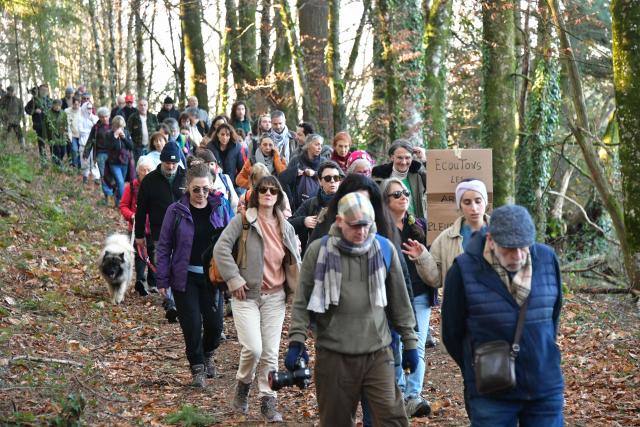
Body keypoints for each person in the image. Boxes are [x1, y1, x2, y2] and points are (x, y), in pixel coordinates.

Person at [287, 192, 418, 426]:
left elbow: (400, 301)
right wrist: (296, 342)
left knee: (392, 419)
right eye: (354, 226)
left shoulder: (384, 249)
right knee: (335, 421)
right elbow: (302, 301)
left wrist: (409, 342)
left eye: (366, 225)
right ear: (339, 222)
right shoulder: (319, 251)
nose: (361, 231)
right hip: (334, 355)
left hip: (377, 352)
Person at [442, 205, 564, 426]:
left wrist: (538, 350)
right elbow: (452, 333)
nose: (517, 255)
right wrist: (474, 366)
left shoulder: (547, 260)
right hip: (491, 391)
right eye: (508, 248)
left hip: (544, 384)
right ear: (490, 239)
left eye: (522, 247)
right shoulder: (463, 270)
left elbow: (552, 318)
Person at [214, 175, 300, 422]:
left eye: (273, 190)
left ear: (279, 195)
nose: (268, 193)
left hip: (276, 296)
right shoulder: (242, 221)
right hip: (246, 295)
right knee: (253, 348)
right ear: (256, 193)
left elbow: (294, 259)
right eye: (263, 189)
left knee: (270, 352)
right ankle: (243, 385)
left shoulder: (286, 225)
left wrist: (296, 290)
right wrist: (234, 278)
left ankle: (267, 399)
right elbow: (221, 249)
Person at [156, 161, 233, 387]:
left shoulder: (220, 207)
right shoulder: (176, 211)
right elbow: (164, 245)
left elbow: (230, 240)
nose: (201, 194)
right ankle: (197, 367)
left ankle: (208, 353)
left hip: (212, 277)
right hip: (184, 276)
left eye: (205, 189)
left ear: (211, 188)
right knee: (191, 325)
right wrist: (162, 279)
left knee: (215, 326)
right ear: (188, 187)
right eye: (196, 189)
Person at [381, 177, 438, 418]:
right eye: (396, 194)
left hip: (420, 294)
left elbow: (436, 261)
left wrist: (423, 255)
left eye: (405, 192)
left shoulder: (421, 225)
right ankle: (399, 393)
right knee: (395, 345)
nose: (403, 196)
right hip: (391, 297)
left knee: (417, 345)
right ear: (385, 200)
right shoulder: (378, 229)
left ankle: (413, 395)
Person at [135, 143, 186, 322]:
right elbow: (141, 210)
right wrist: (139, 235)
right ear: (161, 162)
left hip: (184, 231)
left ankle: (178, 300)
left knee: (179, 266)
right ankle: (171, 302)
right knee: (164, 265)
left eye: (174, 164)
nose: (171, 167)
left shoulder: (186, 178)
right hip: (159, 232)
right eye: (167, 163)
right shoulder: (149, 181)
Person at [420, 179, 491, 289]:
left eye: (478, 201)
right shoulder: (445, 238)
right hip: (458, 302)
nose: (474, 208)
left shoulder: (500, 233)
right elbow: (436, 280)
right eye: (467, 202)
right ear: (460, 206)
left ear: (485, 202)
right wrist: (422, 257)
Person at [288, 160, 343, 255]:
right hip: (315, 257)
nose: (333, 181)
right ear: (320, 181)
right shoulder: (310, 203)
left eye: (336, 178)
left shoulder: (348, 203)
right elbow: (288, 225)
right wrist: (303, 221)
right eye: (328, 178)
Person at [120, 156, 155, 296]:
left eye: (148, 170)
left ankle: (153, 282)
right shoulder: (132, 187)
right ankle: (140, 281)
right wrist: (131, 216)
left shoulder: (156, 186)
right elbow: (123, 206)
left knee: (154, 254)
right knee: (139, 255)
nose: (146, 173)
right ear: (138, 172)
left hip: (154, 227)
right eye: (142, 170)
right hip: (136, 227)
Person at [372, 139, 426, 218]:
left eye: (407, 158)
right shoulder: (380, 176)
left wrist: (424, 159)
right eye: (400, 158)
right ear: (392, 157)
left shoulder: (418, 175)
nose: (404, 162)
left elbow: (437, 184)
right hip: (389, 225)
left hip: (415, 226)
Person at [278, 133, 329, 211]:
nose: (320, 148)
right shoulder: (296, 160)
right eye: (317, 144)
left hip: (318, 202)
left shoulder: (324, 161)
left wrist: (315, 174)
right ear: (308, 145)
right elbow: (285, 178)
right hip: (297, 203)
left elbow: (329, 178)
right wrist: (295, 172)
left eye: (321, 145)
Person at [194, 148, 239, 213]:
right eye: (206, 164)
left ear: (216, 164)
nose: (210, 167)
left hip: (224, 217)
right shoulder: (196, 182)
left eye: (212, 164)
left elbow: (234, 203)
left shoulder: (225, 178)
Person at [84, 107, 114, 202]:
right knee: (104, 175)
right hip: (101, 153)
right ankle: (108, 196)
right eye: (102, 117)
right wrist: (86, 153)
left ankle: (114, 194)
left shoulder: (114, 126)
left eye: (106, 116)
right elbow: (90, 140)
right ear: (99, 117)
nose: (104, 119)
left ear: (109, 116)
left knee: (113, 174)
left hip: (113, 154)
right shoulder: (96, 127)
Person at [105, 115, 134, 206]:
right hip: (114, 163)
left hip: (124, 162)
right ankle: (123, 203)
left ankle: (117, 201)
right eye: (117, 126)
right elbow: (109, 148)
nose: (119, 129)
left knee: (120, 183)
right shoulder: (109, 134)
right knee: (120, 182)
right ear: (113, 126)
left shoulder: (126, 133)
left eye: (121, 126)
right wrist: (115, 136)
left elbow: (131, 147)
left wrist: (124, 138)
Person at [24, 84, 52, 163]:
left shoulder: (50, 101)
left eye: (46, 90)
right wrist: (34, 111)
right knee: (41, 144)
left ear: (48, 91)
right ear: (39, 91)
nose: (44, 92)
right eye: (42, 90)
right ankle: (44, 162)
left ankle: (55, 162)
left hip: (50, 126)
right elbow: (27, 109)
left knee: (52, 144)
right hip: (39, 125)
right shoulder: (34, 100)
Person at [127, 97, 159, 163]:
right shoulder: (133, 117)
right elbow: (128, 132)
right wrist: (132, 145)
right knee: (139, 166)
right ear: (138, 106)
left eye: (144, 105)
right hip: (137, 148)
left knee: (151, 165)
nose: (143, 107)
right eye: (141, 105)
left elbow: (157, 131)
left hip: (151, 147)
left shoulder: (153, 117)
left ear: (147, 106)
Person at [78, 101, 100, 183]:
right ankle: (85, 176)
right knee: (84, 161)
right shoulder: (80, 119)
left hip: (94, 144)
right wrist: (91, 130)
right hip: (84, 144)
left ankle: (96, 177)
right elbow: (81, 131)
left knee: (95, 162)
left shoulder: (95, 118)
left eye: (91, 108)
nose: (89, 110)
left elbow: (97, 129)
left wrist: (92, 123)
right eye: (88, 108)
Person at [45, 99, 68, 166]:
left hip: (62, 135)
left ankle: (58, 162)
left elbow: (65, 123)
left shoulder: (63, 113)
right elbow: (46, 125)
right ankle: (57, 165)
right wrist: (46, 136)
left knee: (63, 151)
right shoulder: (48, 113)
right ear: (53, 105)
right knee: (56, 151)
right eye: (56, 105)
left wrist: (66, 131)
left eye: (59, 106)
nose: (58, 107)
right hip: (52, 135)